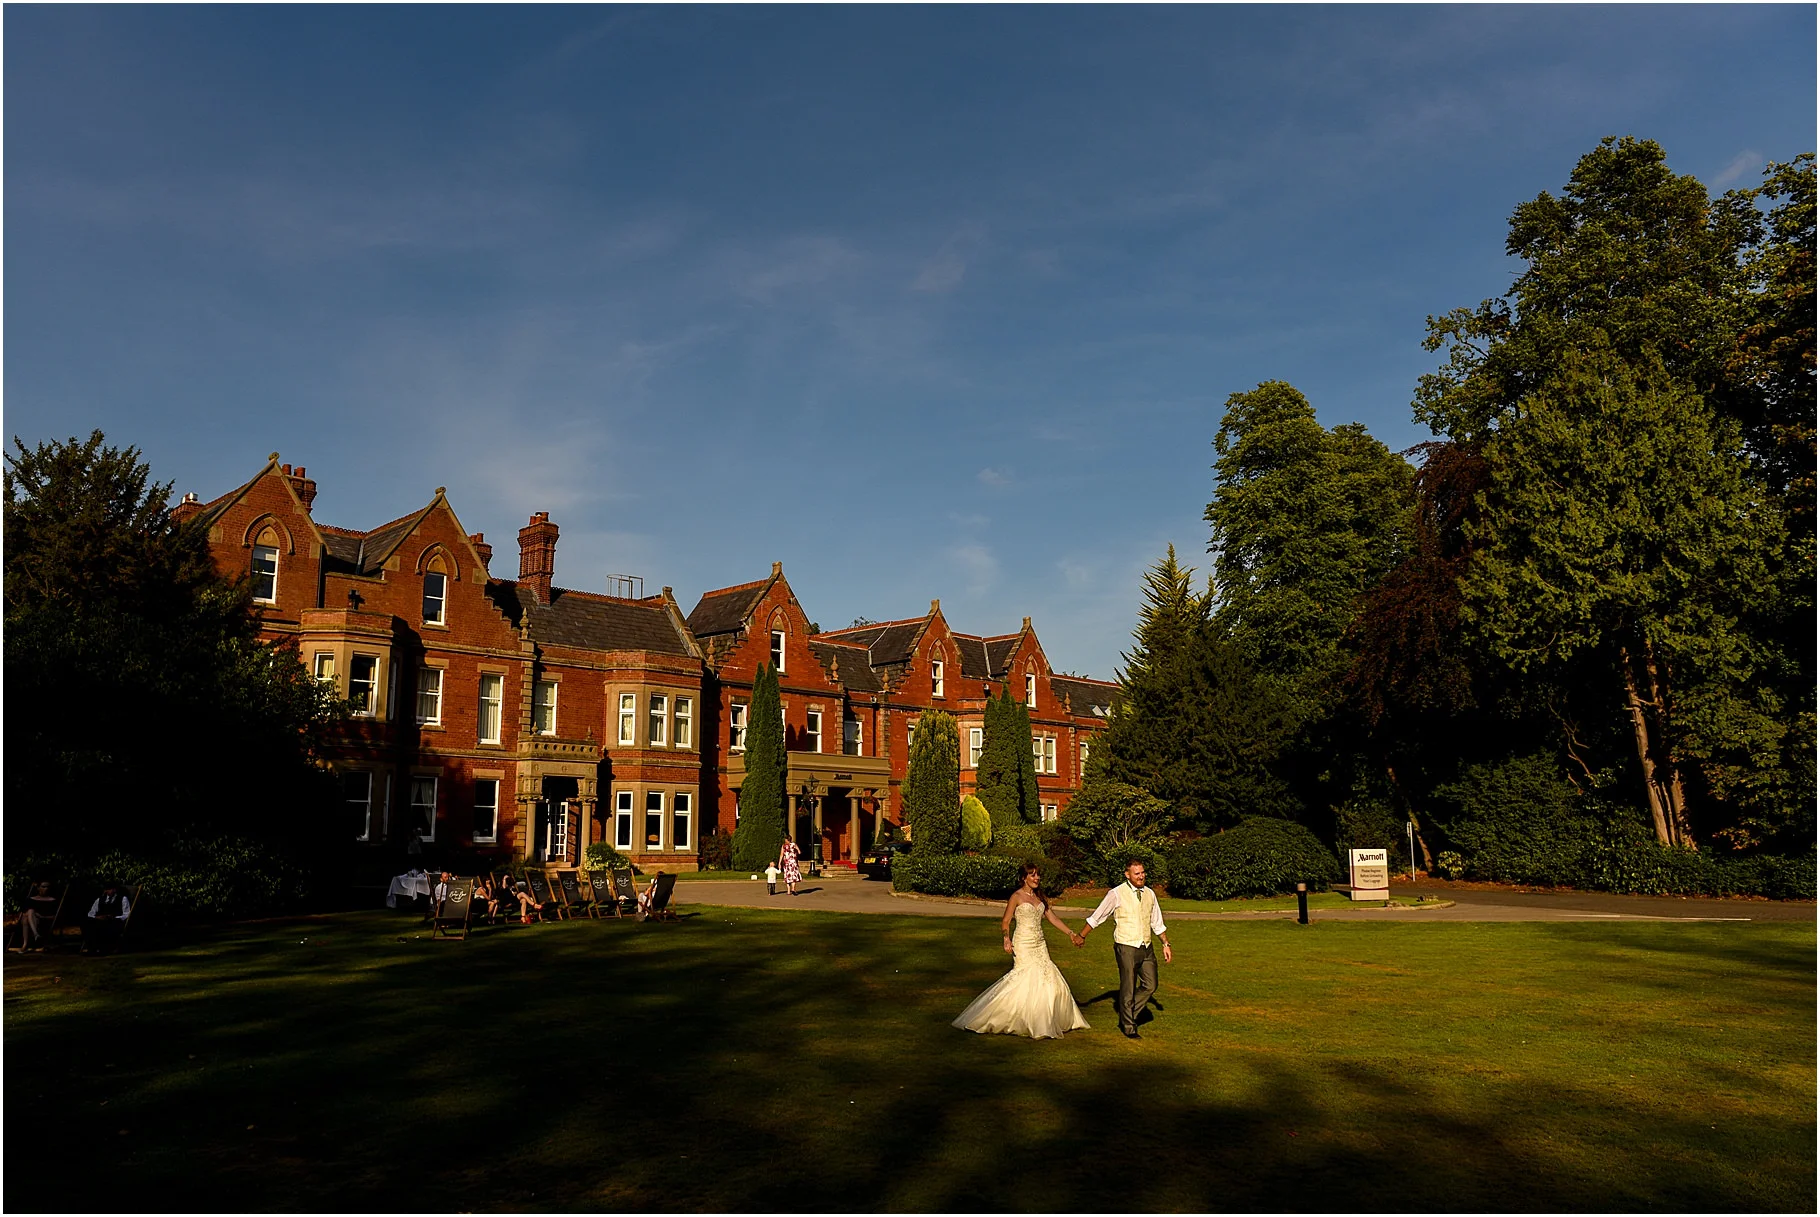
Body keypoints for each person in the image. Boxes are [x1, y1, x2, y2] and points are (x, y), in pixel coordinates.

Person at [952, 863, 1089, 1039]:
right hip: (1023, 943)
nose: (1037, 878)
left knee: (1048, 977)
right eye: (1032, 875)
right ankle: (1003, 1016)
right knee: (1025, 977)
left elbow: (1052, 918)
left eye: (1038, 875)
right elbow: (1006, 921)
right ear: (1024, 878)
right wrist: (1006, 938)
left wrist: (1070, 933)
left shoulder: (1040, 897)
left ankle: (1045, 1019)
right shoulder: (1016, 897)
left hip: (1040, 944)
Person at [1077, 859, 1172, 1039]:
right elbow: (1098, 916)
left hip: (1146, 946)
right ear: (1127, 875)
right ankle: (1129, 1027)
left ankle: (1127, 1014)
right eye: (1137, 873)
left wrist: (1165, 944)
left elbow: (1157, 922)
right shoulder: (1116, 893)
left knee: (1151, 984)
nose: (1141, 876)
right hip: (1126, 946)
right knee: (1128, 986)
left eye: (1143, 872)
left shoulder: (1150, 894)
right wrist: (1081, 935)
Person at [82, 882, 133, 955]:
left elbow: (126, 914)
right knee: (87, 922)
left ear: (114, 890)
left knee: (104, 925)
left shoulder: (122, 899)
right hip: (100, 920)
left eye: (109, 889)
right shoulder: (100, 899)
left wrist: (113, 917)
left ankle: (101, 948)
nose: (107, 891)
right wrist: (97, 917)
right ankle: (92, 947)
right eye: (106, 889)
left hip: (114, 921)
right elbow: (90, 913)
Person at [12, 880, 61, 952]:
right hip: (32, 920)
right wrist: (34, 914)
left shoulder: (53, 900)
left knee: (27, 917)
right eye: (43, 887)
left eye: (47, 887)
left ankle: (25, 944)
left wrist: (41, 916)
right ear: (38, 888)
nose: (46, 889)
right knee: (29, 912)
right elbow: (23, 913)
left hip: (44, 920)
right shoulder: (31, 899)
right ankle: (35, 935)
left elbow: (55, 916)